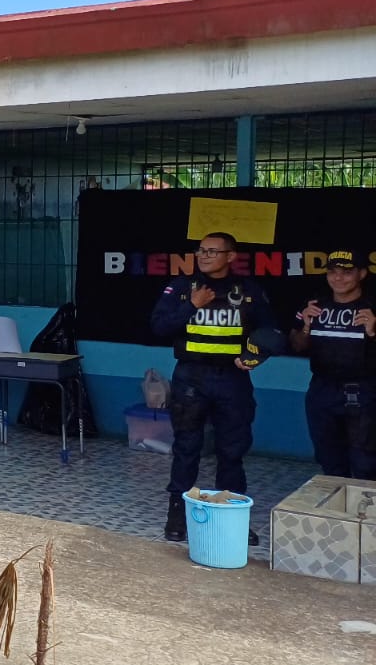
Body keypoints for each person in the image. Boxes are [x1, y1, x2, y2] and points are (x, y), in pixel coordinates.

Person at [150, 232, 274, 545]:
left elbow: (270, 331)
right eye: (201, 250)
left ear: (231, 256)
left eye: (212, 251)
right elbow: (159, 327)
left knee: (232, 452)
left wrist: (255, 357)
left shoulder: (247, 290)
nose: (204, 256)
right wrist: (191, 306)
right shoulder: (181, 288)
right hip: (191, 378)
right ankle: (177, 518)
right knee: (186, 449)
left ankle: (232, 517)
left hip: (232, 380)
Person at [290, 250, 376, 480]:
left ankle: (365, 515)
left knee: (365, 461)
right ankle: (337, 514)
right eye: (332, 272)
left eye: (347, 273)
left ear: (362, 274)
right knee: (328, 458)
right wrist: (306, 326)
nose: (338, 278)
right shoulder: (316, 305)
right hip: (321, 389)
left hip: (363, 391)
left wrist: (372, 331)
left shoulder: (371, 307)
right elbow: (297, 345)